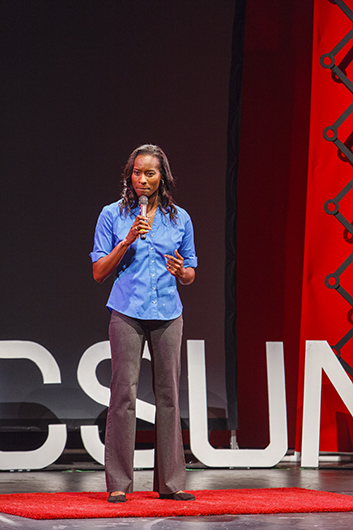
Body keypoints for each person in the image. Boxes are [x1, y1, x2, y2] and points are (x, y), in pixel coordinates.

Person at [90, 144, 197, 503]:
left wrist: (183, 271)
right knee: (123, 395)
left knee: (169, 396)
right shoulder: (112, 215)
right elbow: (98, 272)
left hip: (168, 313)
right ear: (129, 175)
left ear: (162, 177)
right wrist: (127, 242)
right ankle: (119, 483)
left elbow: (191, 271)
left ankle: (171, 482)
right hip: (126, 312)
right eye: (137, 172)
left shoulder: (179, 218)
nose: (142, 179)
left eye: (150, 173)